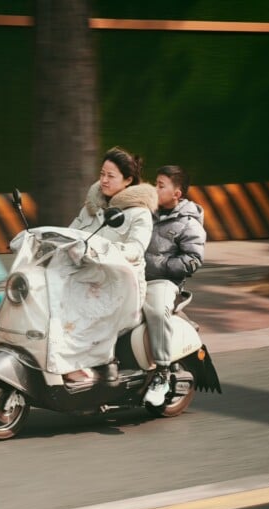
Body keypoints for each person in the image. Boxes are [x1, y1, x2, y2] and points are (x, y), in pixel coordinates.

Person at [67, 146, 157, 382]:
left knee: (78, 310)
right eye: (102, 174)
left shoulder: (139, 213)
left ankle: (99, 366)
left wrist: (102, 251)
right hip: (89, 278)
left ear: (128, 180)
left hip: (121, 286)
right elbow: (70, 234)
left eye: (111, 176)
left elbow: (136, 249)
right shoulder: (92, 207)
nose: (104, 180)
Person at [142, 165, 206, 406]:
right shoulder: (145, 212)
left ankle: (162, 372)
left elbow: (194, 259)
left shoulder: (189, 223)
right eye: (155, 183)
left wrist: (161, 265)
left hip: (164, 282)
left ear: (176, 194)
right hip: (135, 277)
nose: (154, 188)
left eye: (160, 185)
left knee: (157, 311)